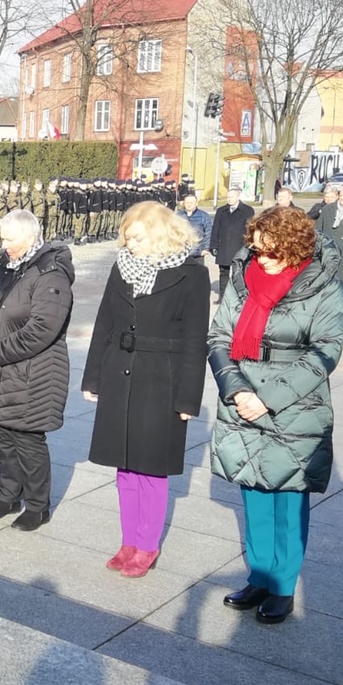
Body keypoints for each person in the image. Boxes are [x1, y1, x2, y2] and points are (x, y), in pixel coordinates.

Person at [208, 206, 343, 623]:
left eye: (269, 251)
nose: (260, 257)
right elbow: (218, 335)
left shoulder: (325, 287)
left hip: (294, 406)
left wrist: (266, 397)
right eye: (256, 249)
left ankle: (283, 586)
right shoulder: (243, 276)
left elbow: (325, 351)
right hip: (243, 395)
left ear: (292, 247)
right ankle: (260, 576)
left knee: (288, 498)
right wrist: (236, 389)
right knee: (253, 493)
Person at [82, 201, 208, 577]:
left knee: (150, 469)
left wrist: (188, 397)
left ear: (158, 233)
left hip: (162, 378)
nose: (130, 244)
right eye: (127, 238)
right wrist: (93, 378)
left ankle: (147, 545)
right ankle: (128, 541)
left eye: (136, 237)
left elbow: (195, 339)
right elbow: (104, 322)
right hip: (120, 371)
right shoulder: (121, 268)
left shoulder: (192, 274)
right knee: (124, 466)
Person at [0, 209, 74, 529]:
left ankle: (37, 506)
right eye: (2, 238)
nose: (3, 245)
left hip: (35, 373)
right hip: (3, 368)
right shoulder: (9, 265)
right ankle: (8, 496)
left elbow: (42, 328)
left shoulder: (51, 272)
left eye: (8, 238)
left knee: (28, 440)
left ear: (30, 237)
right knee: (5, 434)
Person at [211, 186, 256, 302]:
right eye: (228, 197)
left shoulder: (247, 210)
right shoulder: (221, 211)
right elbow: (215, 229)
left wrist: (249, 245)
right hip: (224, 246)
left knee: (239, 272)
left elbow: (250, 229)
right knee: (223, 273)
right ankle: (223, 297)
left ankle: (240, 296)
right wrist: (213, 245)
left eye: (232, 197)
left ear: (238, 197)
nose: (229, 199)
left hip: (240, 246)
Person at [176, 193, 212, 259]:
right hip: (181, 252)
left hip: (198, 251)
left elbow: (208, 233)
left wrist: (206, 248)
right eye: (187, 202)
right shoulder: (178, 216)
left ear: (196, 204)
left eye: (191, 202)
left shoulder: (203, 216)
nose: (189, 204)